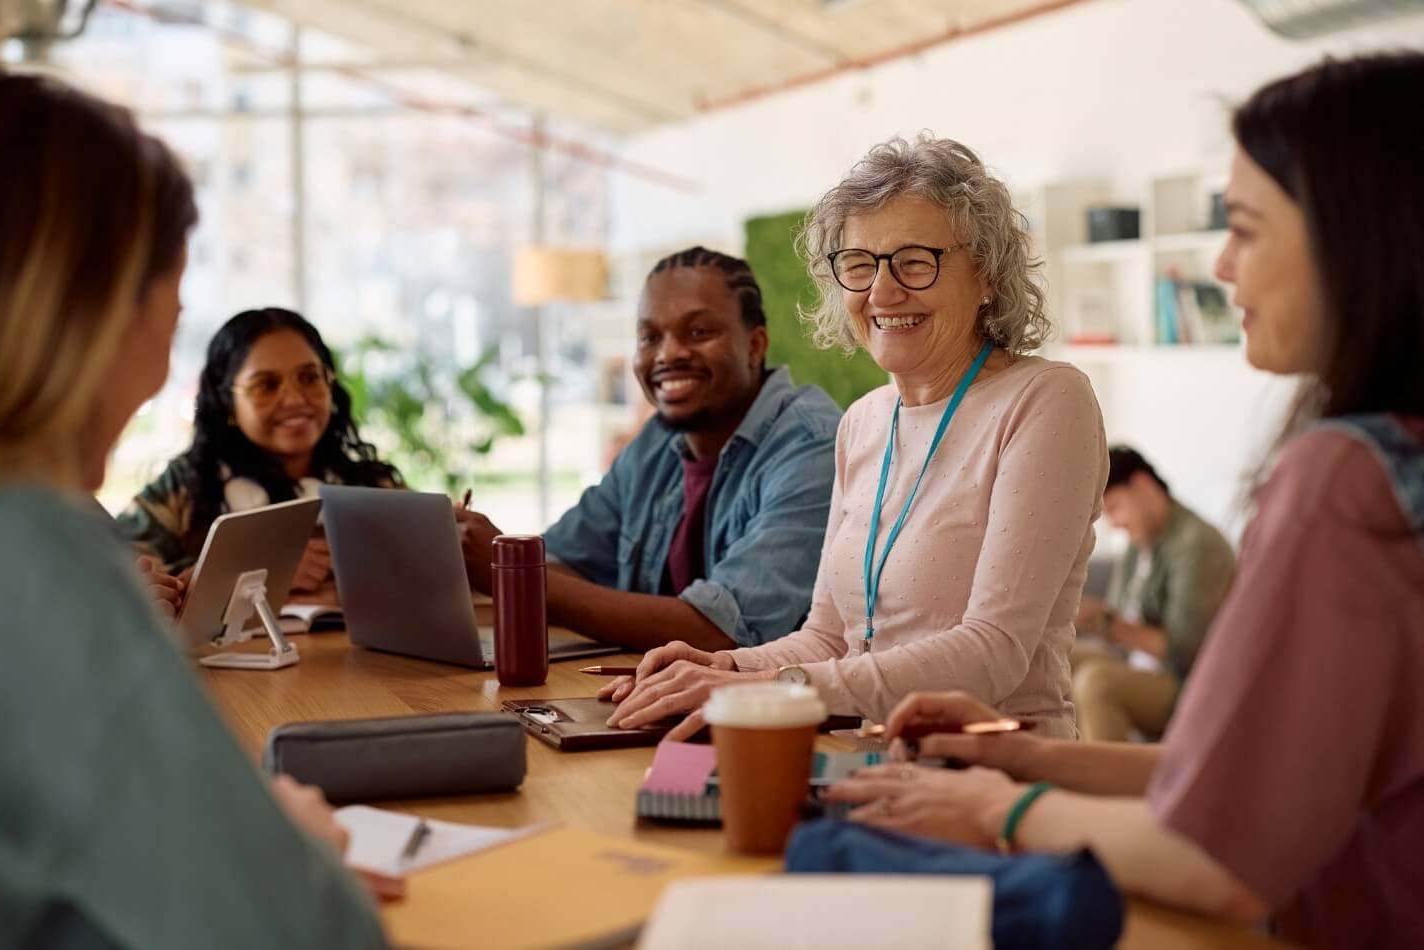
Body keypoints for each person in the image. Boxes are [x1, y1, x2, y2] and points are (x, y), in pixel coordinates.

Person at [824, 53, 1424, 949]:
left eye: (1247, 229)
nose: (1222, 265)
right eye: (859, 263)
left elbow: (1221, 855)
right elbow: (1258, 780)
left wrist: (1007, 804)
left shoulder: (1342, 478)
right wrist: (1025, 757)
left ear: (1360, 237)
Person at [0, 71, 385, 947]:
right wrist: (298, 851)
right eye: (170, 308)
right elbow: (303, 933)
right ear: (100, 311)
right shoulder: (28, 560)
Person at [603, 136, 1107, 740]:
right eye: (859, 264)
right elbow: (828, 638)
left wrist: (760, 687)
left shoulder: (1047, 400)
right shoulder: (863, 421)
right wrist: (719, 666)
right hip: (861, 766)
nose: (883, 292)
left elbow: (993, 651)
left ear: (989, 275)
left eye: (915, 260)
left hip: (992, 781)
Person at [454, 247, 841, 651]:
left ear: (755, 345)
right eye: (649, 337)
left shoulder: (813, 448)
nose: (668, 353)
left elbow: (723, 632)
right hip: (649, 694)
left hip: (772, 709)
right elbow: (567, 561)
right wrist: (480, 555)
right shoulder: (656, 441)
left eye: (698, 332)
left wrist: (513, 574)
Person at [118, 307, 402, 609]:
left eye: (309, 377)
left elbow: (427, 576)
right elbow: (116, 571)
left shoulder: (371, 484)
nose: (294, 399)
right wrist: (253, 568)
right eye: (266, 385)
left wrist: (457, 553)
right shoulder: (189, 486)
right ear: (227, 402)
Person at [1072, 446, 1235, 741]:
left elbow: (1186, 650)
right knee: (1058, 657)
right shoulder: (1139, 543)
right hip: (1135, 663)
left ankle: (1105, 784)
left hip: (1186, 682)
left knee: (1096, 682)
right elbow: (1117, 616)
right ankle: (1047, 768)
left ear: (1143, 484)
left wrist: (1110, 625)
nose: (1114, 522)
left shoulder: (1197, 545)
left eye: (1115, 508)